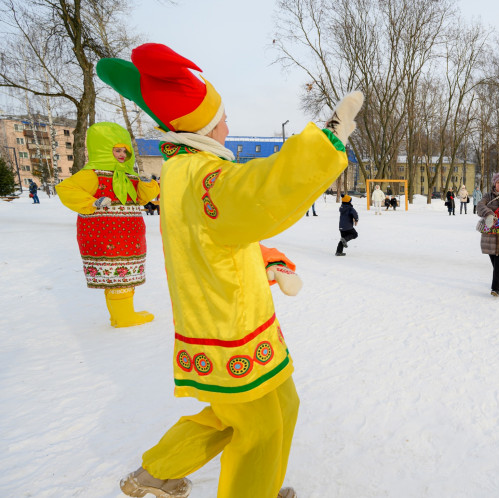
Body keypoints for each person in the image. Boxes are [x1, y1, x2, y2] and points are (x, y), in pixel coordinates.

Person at [98, 43, 363, 498]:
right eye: (221, 119)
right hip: (229, 332)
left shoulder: (182, 171)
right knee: (261, 427)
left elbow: (215, 243)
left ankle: (157, 471)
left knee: (262, 409)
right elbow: (261, 192)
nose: (228, 125)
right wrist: (328, 139)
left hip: (231, 326)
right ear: (202, 127)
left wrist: (267, 261)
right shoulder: (207, 179)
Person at [57, 122, 161, 328]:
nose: (122, 154)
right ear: (103, 150)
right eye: (117, 150)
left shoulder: (127, 174)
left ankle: (122, 313)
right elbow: (66, 189)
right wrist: (91, 203)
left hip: (129, 235)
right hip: (106, 235)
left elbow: (141, 198)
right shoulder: (93, 173)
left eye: (125, 150)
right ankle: (123, 317)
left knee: (125, 275)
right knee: (117, 274)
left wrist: (148, 184)